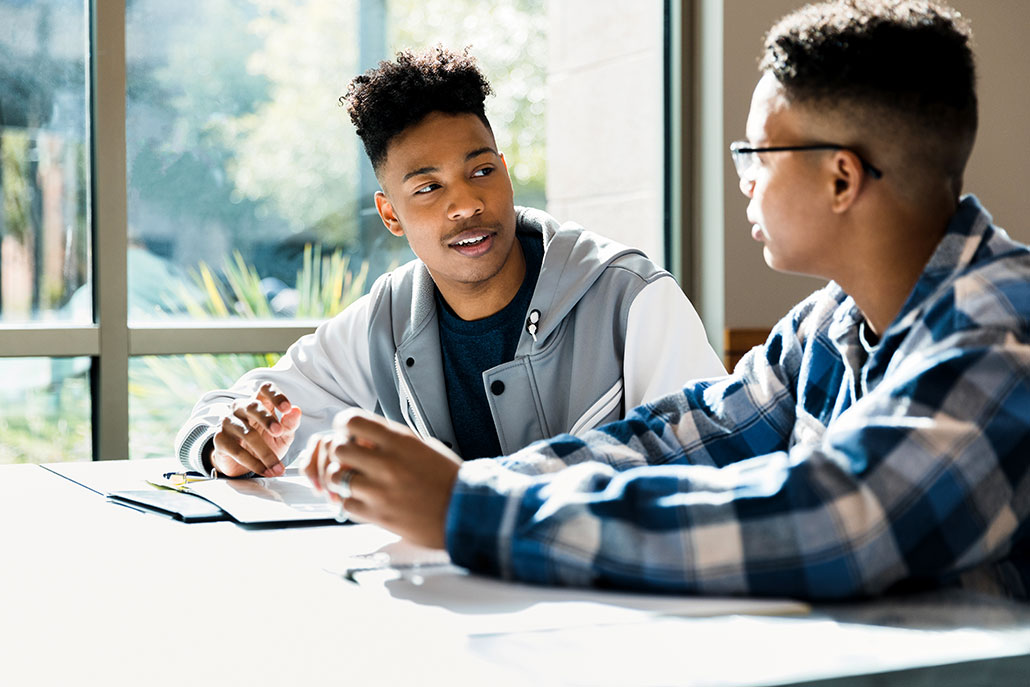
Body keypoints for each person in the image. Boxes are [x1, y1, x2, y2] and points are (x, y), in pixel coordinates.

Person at [305, 0, 1030, 601]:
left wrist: (470, 509)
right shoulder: (828, 324)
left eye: (756, 154)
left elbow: (836, 522)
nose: (742, 178)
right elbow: (677, 440)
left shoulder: (1001, 327)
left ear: (841, 179)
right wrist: (456, 484)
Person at [174, 47, 724, 478]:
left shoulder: (631, 299)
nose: (465, 204)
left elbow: (718, 463)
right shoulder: (386, 321)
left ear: (506, 171)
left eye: (481, 171)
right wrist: (229, 447)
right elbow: (222, 411)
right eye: (429, 187)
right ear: (391, 215)